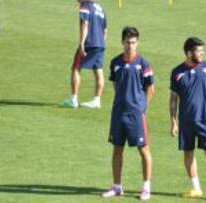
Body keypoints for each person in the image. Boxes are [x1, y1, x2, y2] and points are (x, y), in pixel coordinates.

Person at [169, 37, 206, 202]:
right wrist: (173, 121)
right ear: (188, 53)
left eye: (203, 51)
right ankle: (196, 188)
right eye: (198, 51)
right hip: (186, 122)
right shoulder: (177, 72)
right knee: (188, 153)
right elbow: (173, 98)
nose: (202, 54)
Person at [102, 27, 155, 201]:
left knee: (143, 150)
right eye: (127, 42)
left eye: (133, 42)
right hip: (118, 113)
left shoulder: (144, 63)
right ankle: (117, 187)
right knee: (117, 149)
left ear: (137, 42)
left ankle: (146, 187)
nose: (130, 45)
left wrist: (142, 107)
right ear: (122, 42)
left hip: (136, 114)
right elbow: (116, 84)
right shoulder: (115, 62)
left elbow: (150, 88)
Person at [62, 0, 107, 109]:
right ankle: (97, 100)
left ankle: (73, 99)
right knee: (98, 70)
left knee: (76, 68)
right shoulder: (100, 8)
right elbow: (105, 29)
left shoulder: (85, 6)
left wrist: (82, 43)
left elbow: (85, 23)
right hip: (100, 44)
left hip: (89, 43)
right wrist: (101, 43)